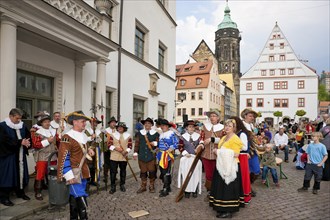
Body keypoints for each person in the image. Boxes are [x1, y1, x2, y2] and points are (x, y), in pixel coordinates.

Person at [57, 111, 95, 219]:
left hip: (83, 172)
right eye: (82, 122)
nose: (84, 124)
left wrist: (89, 151)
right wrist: (69, 176)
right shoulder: (67, 137)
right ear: (75, 122)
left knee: (74, 198)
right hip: (73, 173)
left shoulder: (83, 135)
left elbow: (81, 151)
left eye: (85, 122)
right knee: (80, 197)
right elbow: (64, 157)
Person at [209, 119, 243, 218]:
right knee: (221, 187)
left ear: (234, 128)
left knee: (228, 188)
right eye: (226, 125)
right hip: (222, 165)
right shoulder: (224, 138)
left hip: (231, 167)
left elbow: (236, 154)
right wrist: (218, 151)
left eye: (230, 126)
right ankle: (221, 207)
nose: (227, 127)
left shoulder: (236, 139)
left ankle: (229, 210)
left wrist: (218, 152)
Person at [0, 108, 31, 206]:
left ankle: (20, 192)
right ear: (11, 116)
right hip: (8, 156)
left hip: (20, 155)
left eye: (20, 118)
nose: (19, 120)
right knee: (7, 176)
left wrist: (28, 143)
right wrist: (19, 142)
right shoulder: (2, 126)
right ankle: (4, 197)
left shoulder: (22, 125)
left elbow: (27, 136)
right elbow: (3, 140)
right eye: (17, 118)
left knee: (20, 175)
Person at [31, 112, 60, 200]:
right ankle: (38, 191)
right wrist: (48, 141)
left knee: (53, 173)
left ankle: (53, 187)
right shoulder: (37, 133)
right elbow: (36, 144)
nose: (47, 123)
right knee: (40, 174)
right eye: (45, 122)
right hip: (42, 156)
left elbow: (58, 141)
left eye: (48, 121)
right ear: (41, 123)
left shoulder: (53, 131)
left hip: (53, 156)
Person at [200, 110, 224, 199]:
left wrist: (212, 139)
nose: (212, 117)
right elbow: (201, 137)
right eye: (211, 116)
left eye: (214, 116)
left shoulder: (223, 128)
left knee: (217, 174)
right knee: (208, 174)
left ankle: (217, 191)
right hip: (206, 154)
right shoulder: (205, 127)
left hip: (217, 155)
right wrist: (201, 144)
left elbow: (223, 140)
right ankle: (209, 192)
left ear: (218, 118)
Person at [230, 116, 252, 206]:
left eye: (233, 124)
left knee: (241, 177)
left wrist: (233, 146)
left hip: (241, 157)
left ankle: (243, 198)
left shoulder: (242, 134)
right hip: (234, 157)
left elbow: (245, 147)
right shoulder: (233, 133)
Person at [177, 120, 203, 198]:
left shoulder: (198, 136)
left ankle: (194, 190)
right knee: (186, 174)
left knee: (195, 174)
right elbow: (180, 146)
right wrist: (185, 153)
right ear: (186, 128)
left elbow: (202, 145)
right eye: (190, 127)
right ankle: (187, 191)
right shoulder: (182, 137)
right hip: (186, 158)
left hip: (195, 158)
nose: (191, 128)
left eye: (193, 127)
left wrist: (199, 148)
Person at [133, 117, 159, 193]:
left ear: (151, 125)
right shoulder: (139, 133)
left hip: (151, 156)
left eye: (149, 123)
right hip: (141, 156)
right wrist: (135, 152)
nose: (147, 124)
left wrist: (155, 143)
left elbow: (158, 143)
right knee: (143, 172)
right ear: (144, 124)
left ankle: (151, 186)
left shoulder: (155, 133)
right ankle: (143, 186)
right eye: (146, 123)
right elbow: (137, 143)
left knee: (152, 172)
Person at [108, 122, 132, 194]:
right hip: (114, 156)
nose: (120, 128)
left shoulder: (128, 136)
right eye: (118, 127)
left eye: (121, 127)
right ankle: (113, 186)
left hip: (123, 156)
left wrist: (126, 151)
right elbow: (109, 145)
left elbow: (130, 146)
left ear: (124, 128)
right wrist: (116, 148)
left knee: (123, 171)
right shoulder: (113, 135)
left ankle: (122, 184)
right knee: (113, 172)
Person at [240, 108, 260, 197]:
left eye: (253, 116)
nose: (252, 118)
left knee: (256, 171)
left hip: (252, 151)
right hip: (244, 151)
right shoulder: (241, 125)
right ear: (245, 116)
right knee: (245, 172)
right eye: (250, 116)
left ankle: (248, 186)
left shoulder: (252, 126)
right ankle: (247, 189)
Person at [157, 119, 178, 197]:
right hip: (160, 155)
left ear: (167, 126)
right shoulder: (161, 134)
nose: (162, 127)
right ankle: (166, 186)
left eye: (164, 125)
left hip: (167, 155)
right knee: (162, 172)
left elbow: (176, 143)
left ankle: (166, 188)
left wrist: (171, 148)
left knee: (166, 172)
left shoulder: (172, 134)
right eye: (161, 125)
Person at [85, 117, 102, 188]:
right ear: (91, 123)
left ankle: (94, 180)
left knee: (96, 165)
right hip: (89, 149)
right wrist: (91, 137)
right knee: (89, 165)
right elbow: (85, 139)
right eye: (94, 122)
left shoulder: (99, 131)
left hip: (97, 149)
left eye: (96, 123)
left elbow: (101, 140)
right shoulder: (87, 131)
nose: (95, 124)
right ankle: (88, 180)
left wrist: (98, 137)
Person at [104, 116, 117, 184]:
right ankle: (105, 176)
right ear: (109, 123)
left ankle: (114, 175)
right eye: (112, 122)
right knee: (107, 163)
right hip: (107, 149)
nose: (114, 124)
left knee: (114, 162)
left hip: (115, 149)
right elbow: (104, 140)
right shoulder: (106, 130)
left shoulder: (117, 130)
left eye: (114, 122)